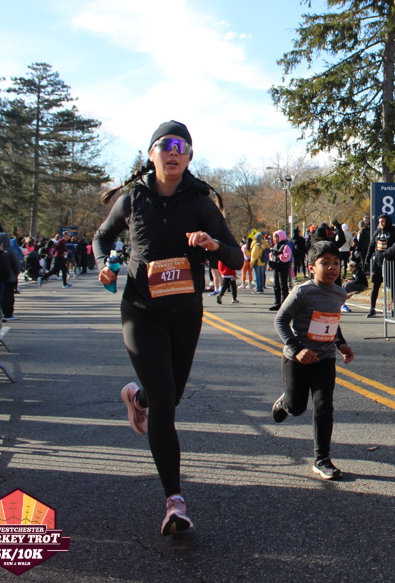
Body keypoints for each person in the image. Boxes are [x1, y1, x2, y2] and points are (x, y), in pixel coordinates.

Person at [94, 120, 243, 535]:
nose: (174, 152)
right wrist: (104, 265)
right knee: (165, 401)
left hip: (185, 312)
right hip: (140, 309)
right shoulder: (132, 199)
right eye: (166, 145)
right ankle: (174, 502)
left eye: (182, 146)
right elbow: (101, 238)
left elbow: (235, 255)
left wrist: (212, 245)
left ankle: (136, 396)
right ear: (151, 154)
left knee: (168, 396)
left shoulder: (201, 202)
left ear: (190, 157)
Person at [271, 241, 355, 480]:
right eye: (324, 263)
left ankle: (322, 459)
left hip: (324, 358)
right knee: (297, 408)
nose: (332, 268)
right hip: (297, 359)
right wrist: (297, 349)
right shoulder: (302, 292)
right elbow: (280, 321)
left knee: (323, 406)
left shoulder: (339, 293)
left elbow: (331, 321)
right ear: (311, 268)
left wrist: (341, 344)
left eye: (336, 263)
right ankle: (285, 403)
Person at [366, 214, 395, 318]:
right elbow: (371, 245)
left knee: (392, 286)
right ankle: (372, 309)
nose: (381, 224)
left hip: (390, 262)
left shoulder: (393, 231)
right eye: (380, 222)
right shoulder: (377, 232)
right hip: (378, 263)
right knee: (375, 285)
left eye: (383, 221)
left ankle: (394, 308)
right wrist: (367, 259)